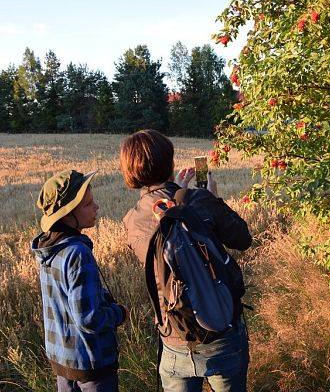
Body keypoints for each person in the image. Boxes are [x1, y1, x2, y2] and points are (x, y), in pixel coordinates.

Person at [120, 130, 252, 392]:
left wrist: (176, 196)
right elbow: (243, 239)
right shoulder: (199, 200)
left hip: (174, 336)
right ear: (169, 163)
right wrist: (211, 199)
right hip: (221, 332)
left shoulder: (133, 220)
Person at [31, 170, 127, 392]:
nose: (96, 207)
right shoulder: (78, 253)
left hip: (63, 362)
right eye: (88, 204)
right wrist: (119, 313)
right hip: (91, 365)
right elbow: (89, 318)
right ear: (67, 215)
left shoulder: (48, 249)